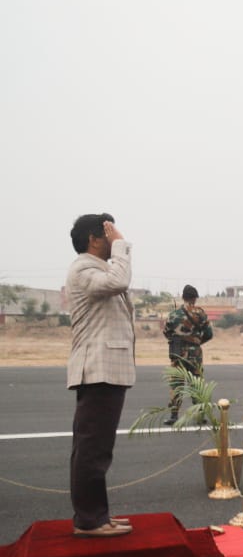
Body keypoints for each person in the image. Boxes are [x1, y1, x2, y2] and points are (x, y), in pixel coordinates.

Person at [65, 213, 135, 538]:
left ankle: (98, 515)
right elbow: (119, 282)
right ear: (95, 239)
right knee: (92, 449)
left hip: (105, 368)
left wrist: (117, 247)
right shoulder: (84, 268)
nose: (115, 237)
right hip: (97, 369)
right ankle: (89, 520)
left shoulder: (98, 269)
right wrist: (121, 245)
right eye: (108, 233)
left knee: (98, 448)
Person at [161, 284, 214, 425]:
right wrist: (196, 343)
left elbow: (166, 332)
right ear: (195, 298)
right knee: (196, 383)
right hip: (195, 354)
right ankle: (199, 415)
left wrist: (178, 340)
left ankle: (173, 416)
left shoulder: (173, 314)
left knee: (177, 383)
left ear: (183, 297)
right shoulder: (200, 313)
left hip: (177, 353)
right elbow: (209, 334)